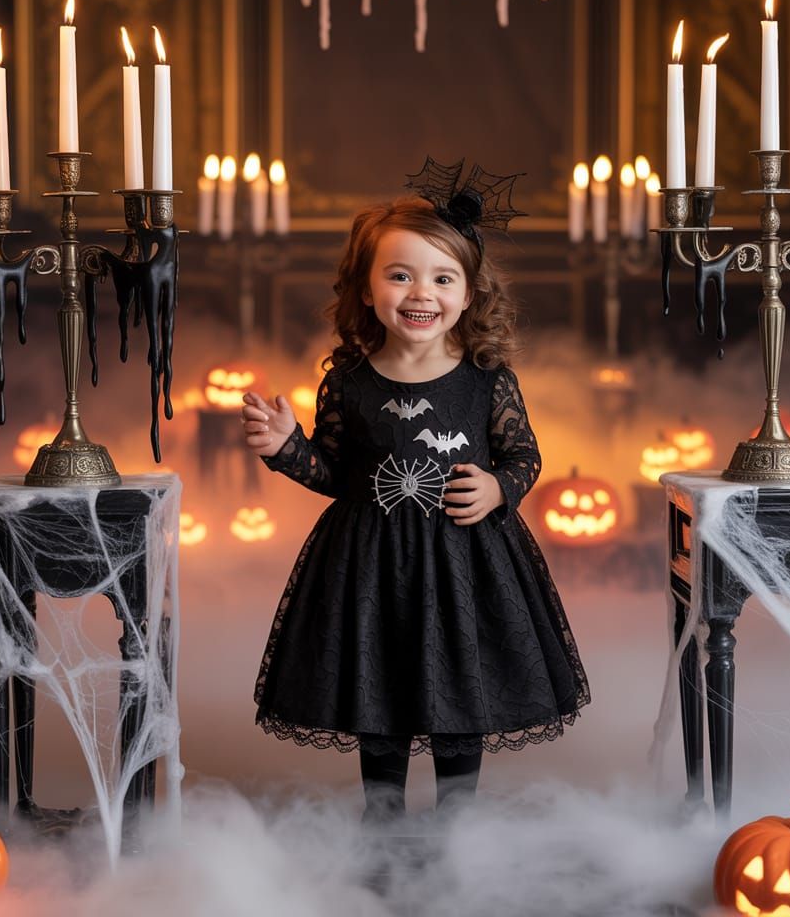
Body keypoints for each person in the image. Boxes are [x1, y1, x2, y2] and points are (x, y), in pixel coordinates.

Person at [241, 159, 589, 822]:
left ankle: (458, 813)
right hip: (371, 566)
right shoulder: (347, 380)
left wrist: (498, 488)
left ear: (467, 293)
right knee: (382, 684)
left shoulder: (487, 378)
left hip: (465, 564)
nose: (419, 292)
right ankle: (384, 814)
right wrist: (286, 449)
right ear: (366, 289)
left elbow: (524, 454)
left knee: (460, 682)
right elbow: (338, 472)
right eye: (399, 275)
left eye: (441, 277)